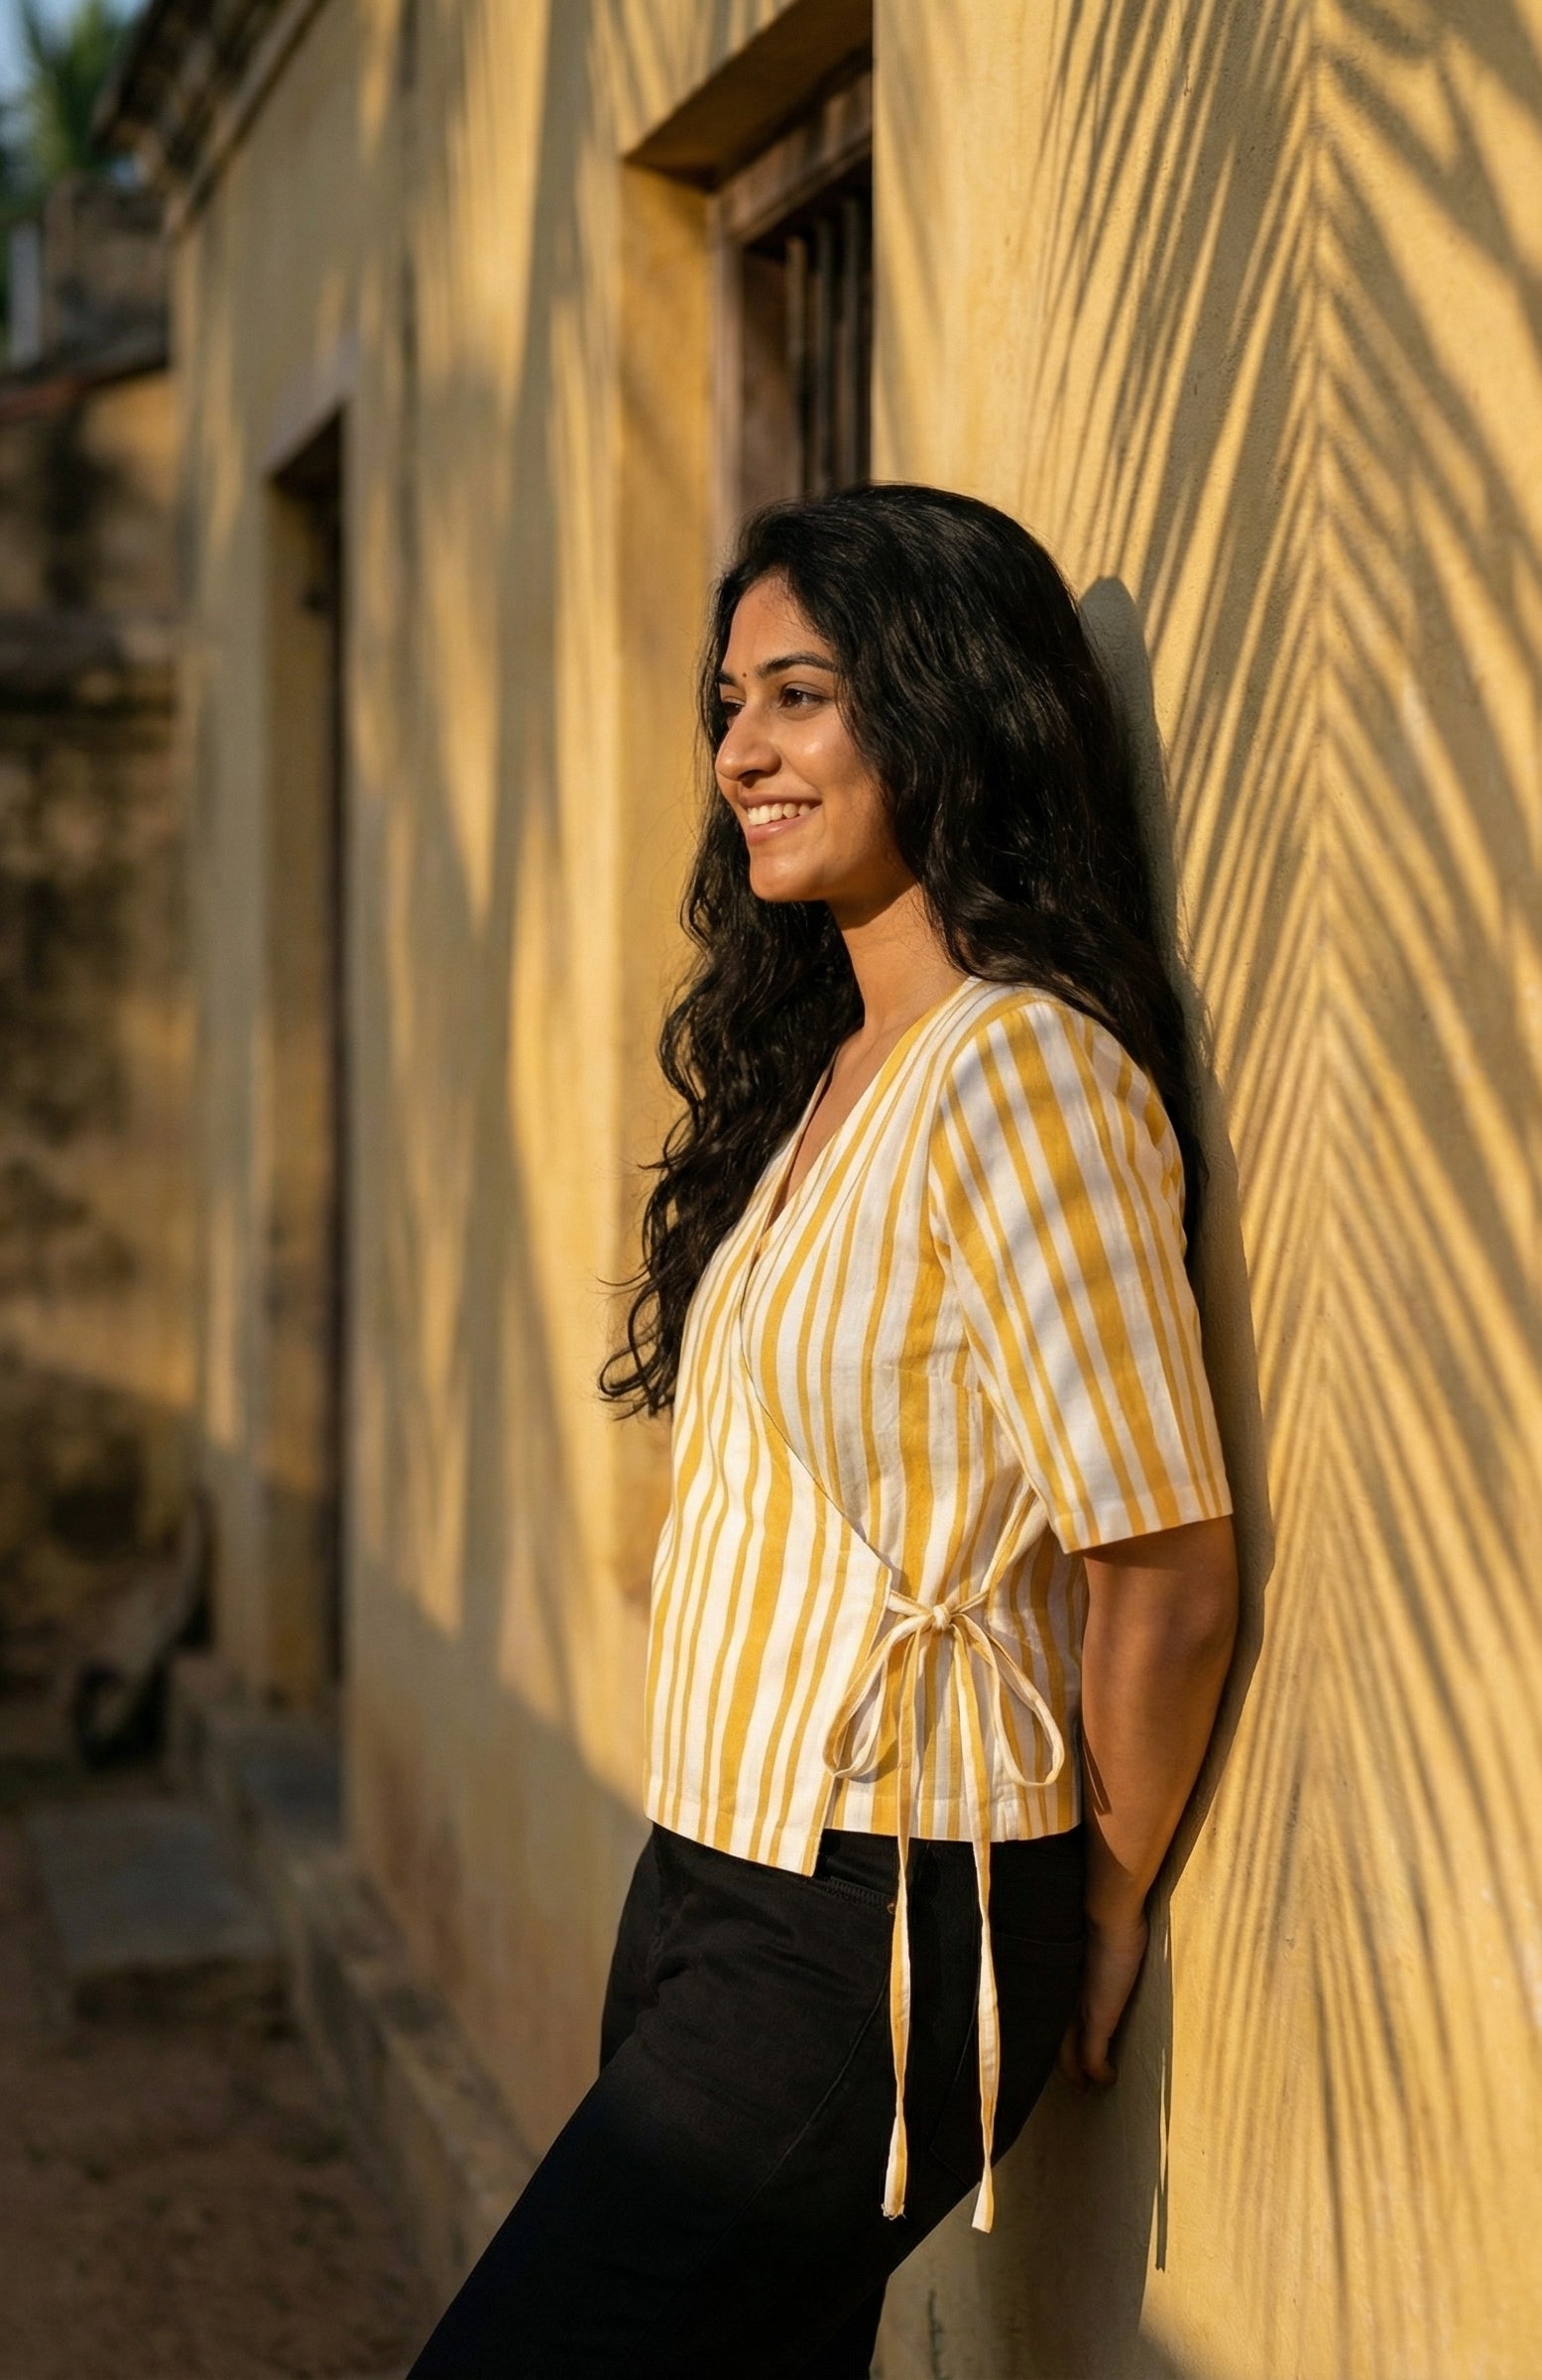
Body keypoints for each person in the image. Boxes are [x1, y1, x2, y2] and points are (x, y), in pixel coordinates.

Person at [408, 485, 1239, 2378]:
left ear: (944, 711)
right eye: (729, 704)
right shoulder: (829, 1071)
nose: (741, 753)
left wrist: (1095, 1904)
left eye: (800, 695)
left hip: (885, 1908)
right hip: (711, 1860)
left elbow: (1167, 1560)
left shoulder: (1024, 1073)